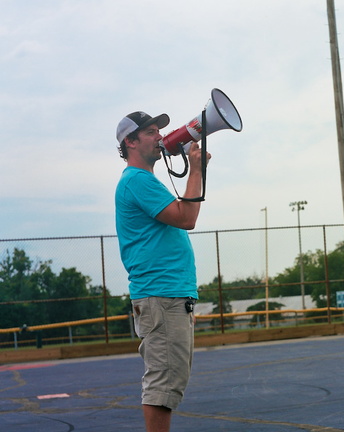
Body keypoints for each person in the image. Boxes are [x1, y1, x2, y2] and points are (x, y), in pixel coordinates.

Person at [115, 111, 210, 432]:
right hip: (162, 294)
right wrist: (196, 169)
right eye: (151, 132)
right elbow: (187, 217)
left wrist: (196, 170)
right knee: (163, 384)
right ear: (130, 142)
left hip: (166, 294)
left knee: (168, 380)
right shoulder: (137, 180)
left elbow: (184, 215)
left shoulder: (142, 181)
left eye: (160, 131)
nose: (159, 137)